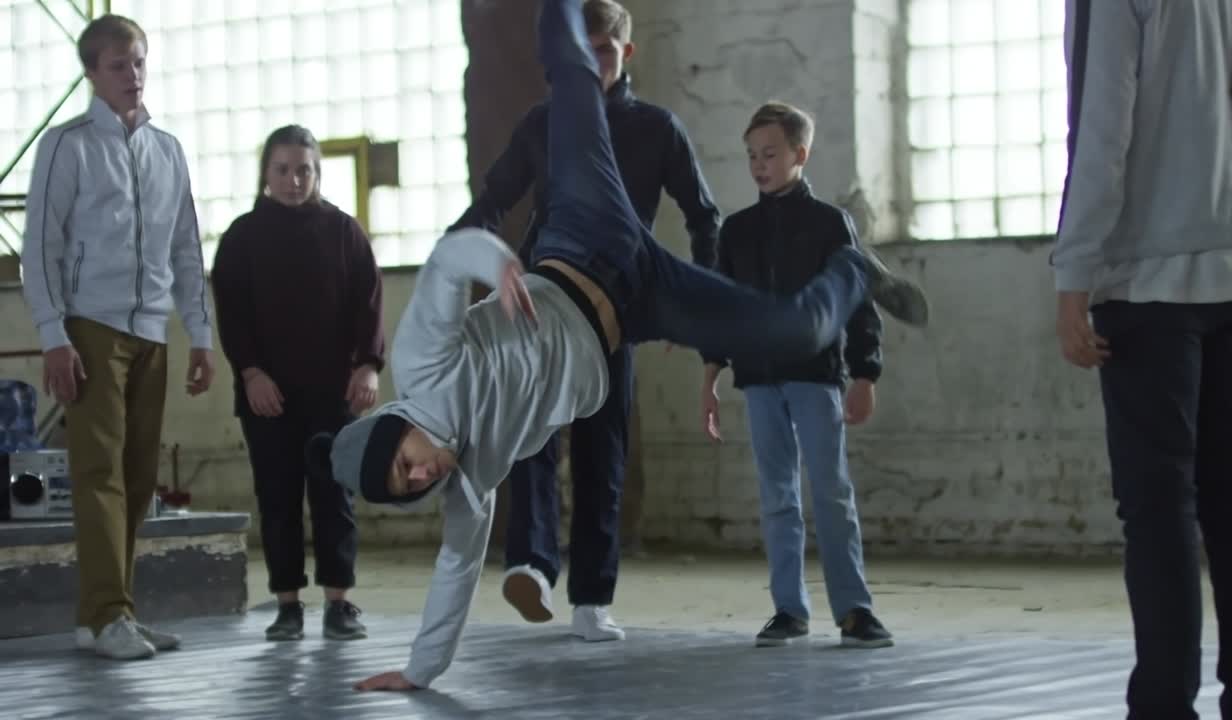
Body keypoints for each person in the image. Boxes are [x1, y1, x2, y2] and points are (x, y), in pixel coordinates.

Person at [312, 0, 926, 692]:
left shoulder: (423, 362)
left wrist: (500, 264)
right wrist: (418, 674)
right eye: (408, 490)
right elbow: (454, 573)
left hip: (584, 233)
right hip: (639, 304)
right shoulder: (471, 485)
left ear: (398, 429)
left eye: (404, 464)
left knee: (568, 71)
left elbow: (450, 261)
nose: (421, 477)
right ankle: (857, 269)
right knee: (799, 331)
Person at [449, 0, 722, 642]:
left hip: (615, 311)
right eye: (580, 50)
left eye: (602, 51)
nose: (590, 63)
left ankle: (592, 600)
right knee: (531, 437)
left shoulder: (658, 129)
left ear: (625, 55)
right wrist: (456, 263)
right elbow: (490, 203)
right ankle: (532, 565)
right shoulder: (542, 123)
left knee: (604, 451)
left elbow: (704, 215)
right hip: (546, 303)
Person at [1052, 1, 1232, 718]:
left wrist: (1073, 274)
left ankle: (1164, 705)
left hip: (1144, 281)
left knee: (1160, 513)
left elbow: (1102, 125)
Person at [20, 13, 215, 660]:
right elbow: (38, 251)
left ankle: (107, 613)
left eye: (138, 62)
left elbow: (187, 249)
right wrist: (53, 335)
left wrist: (202, 336)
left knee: (135, 480)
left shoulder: (168, 150)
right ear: (91, 74)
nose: (132, 76)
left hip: (152, 331)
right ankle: (108, 615)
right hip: (90, 329)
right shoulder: (66, 145)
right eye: (117, 66)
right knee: (97, 474)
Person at [700, 101, 893, 650]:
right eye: (752, 156)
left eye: (771, 153)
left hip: (815, 378)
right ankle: (789, 609)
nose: (759, 165)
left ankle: (855, 610)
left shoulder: (832, 225)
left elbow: (860, 305)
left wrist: (865, 373)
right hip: (759, 381)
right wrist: (709, 376)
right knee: (777, 496)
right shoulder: (735, 232)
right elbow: (723, 307)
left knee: (830, 491)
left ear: (799, 155)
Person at [210, 125, 386, 643]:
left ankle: (339, 601)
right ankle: (287, 604)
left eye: (303, 170)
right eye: (283, 169)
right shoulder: (242, 238)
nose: (293, 180)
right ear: (266, 173)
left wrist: (368, 365)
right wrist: (251, 372)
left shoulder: (344, 232)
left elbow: (368, 305)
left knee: (334, 496)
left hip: (333, 392)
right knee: (278, 497)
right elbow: (233, 313)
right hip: (268, 396)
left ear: (317, 173)